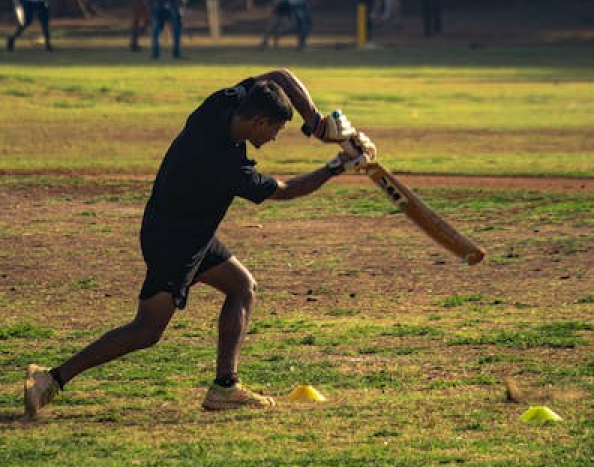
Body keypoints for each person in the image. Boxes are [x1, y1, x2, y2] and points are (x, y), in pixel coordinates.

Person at [22, 70, 376, 417]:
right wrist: (337, 166)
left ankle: (225, 387)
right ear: (257, 123)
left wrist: (316, 123)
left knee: (242, 287)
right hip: (175, 241)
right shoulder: (223, 163)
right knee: (146, 330)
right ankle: (52, 378)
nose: (275, 138)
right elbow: (284, 191)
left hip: (182, 229)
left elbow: (280, 76)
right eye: (275, 130)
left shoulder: (222, 104)